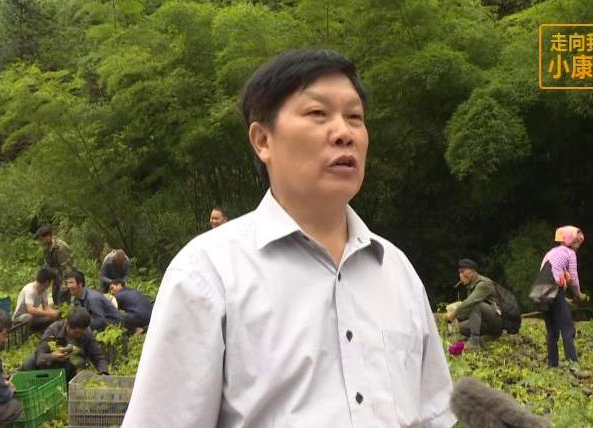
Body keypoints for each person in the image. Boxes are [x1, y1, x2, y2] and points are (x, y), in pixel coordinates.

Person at [123, 49, 455, 428]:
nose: (344, 133)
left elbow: (432, 416)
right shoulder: (208, 274)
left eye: (355, 117)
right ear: (263, 140)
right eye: (318, 113)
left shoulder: (397, 271)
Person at [539, 226, 589, 376]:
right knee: (567, 329)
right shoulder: (569, 253)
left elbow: (549, 279)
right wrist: (579, 295)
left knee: (552, 330)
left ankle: (552, 364)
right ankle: (573, 366)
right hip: (555, 290)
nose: (578, 245)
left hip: (542, 291)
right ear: (570, 240)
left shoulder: (551, 252)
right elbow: (573, 278)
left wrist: (564, 299)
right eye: (576, 242)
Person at [21, 307, 109, 381]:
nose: (78, 335)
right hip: (49, 364)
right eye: (76, 333)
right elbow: (41, 357)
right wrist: (54, 356)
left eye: (81, 333)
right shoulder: (54, 331)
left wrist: (103, 372)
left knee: (76, 363)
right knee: (28, 364)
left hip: (70, 366)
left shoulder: (86, 333)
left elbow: (97, 356)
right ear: (67, 325)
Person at [447, 258, 502, 350]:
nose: (460, 275)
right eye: (459, 273)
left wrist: (454, 314)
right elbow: (468, 310)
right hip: (485, 321)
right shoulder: (471, 286)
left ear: (472, 271)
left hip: (497, 320)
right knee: (461, 327)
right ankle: (482, 337)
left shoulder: (483, 284)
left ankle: (474, 343)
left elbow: (470, 302)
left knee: (474, 305)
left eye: (463, 272)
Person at [35, 225, 75, 305]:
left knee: (63, 301)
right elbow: (48, 264)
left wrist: (65, 283)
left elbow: (67, 267)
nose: (41, 241)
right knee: (55, 297)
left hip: (65, 275)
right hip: (57, 275)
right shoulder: (47, 246)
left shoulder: (61, 247)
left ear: (48, 236)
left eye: (42, 239)